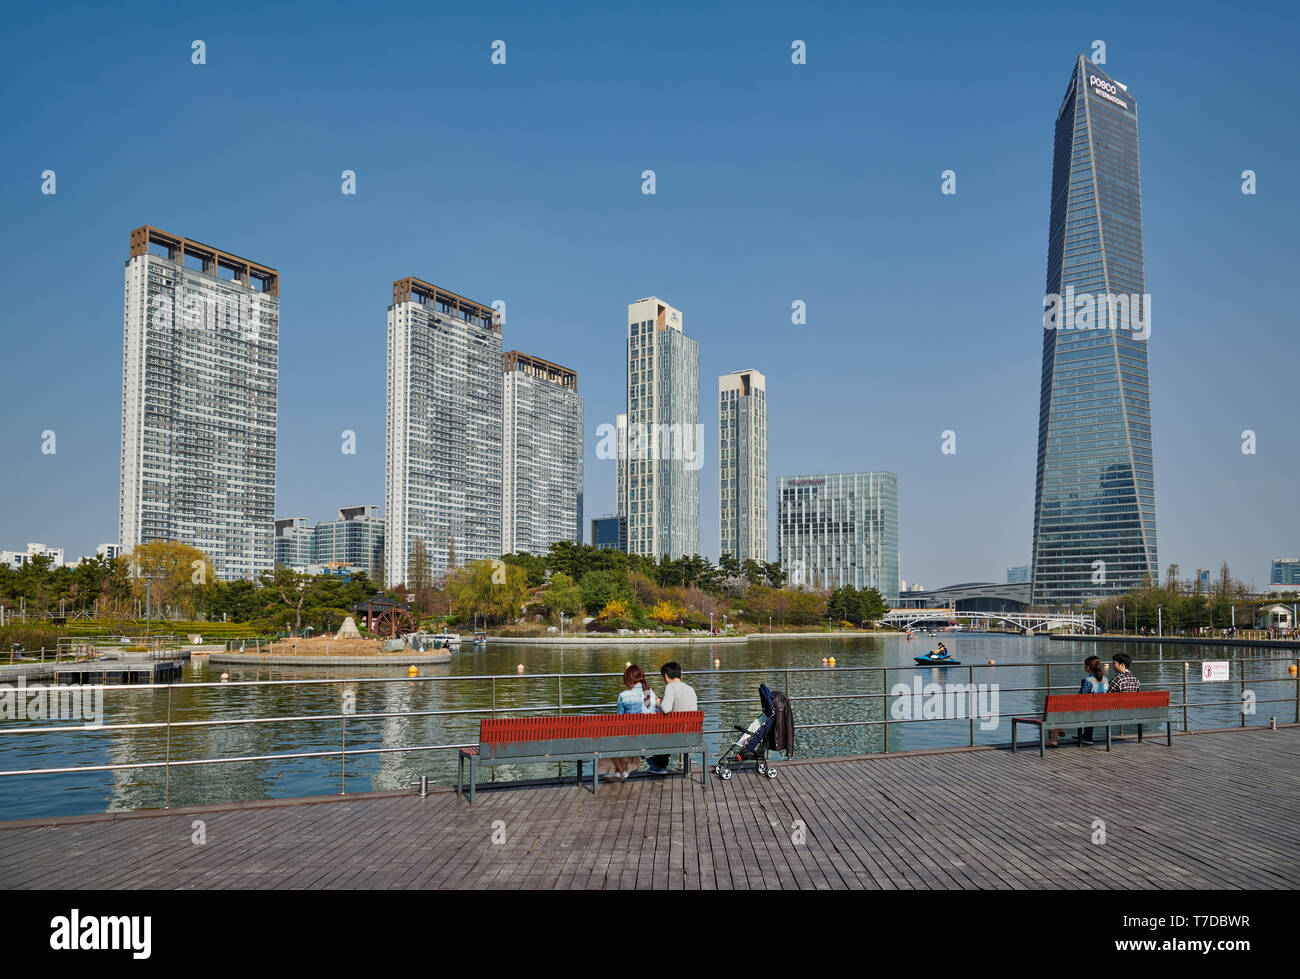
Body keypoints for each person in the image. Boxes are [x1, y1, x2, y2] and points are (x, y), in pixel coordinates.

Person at [604, 664, 658, 779]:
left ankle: (620, 771)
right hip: (651, 738)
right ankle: (622, 771)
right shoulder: (650, 694)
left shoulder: (623, 696)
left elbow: (619, 721)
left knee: (608, 740)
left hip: (631, 739)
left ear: (628, 680)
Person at [648, 661, 697, 775]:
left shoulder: (670, 687)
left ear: (666, 676)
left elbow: (665, 709)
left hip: (676, 735)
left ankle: (659, 765)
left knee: (658, 731)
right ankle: (657, 763)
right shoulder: (690, 689)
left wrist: (657, 703)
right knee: (665, 732)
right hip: (692, 734)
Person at [1076, 654, 1108, 744]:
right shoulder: (1105, 679)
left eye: (1085, 665)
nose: (1084, 667)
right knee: (1091, 708)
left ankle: (1087, 735)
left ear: (1089, 667)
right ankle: (1087, 735)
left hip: (1090, 711)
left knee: (1086, 708)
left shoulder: (1087, 680)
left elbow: (1082, 697)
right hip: (1104, 710)